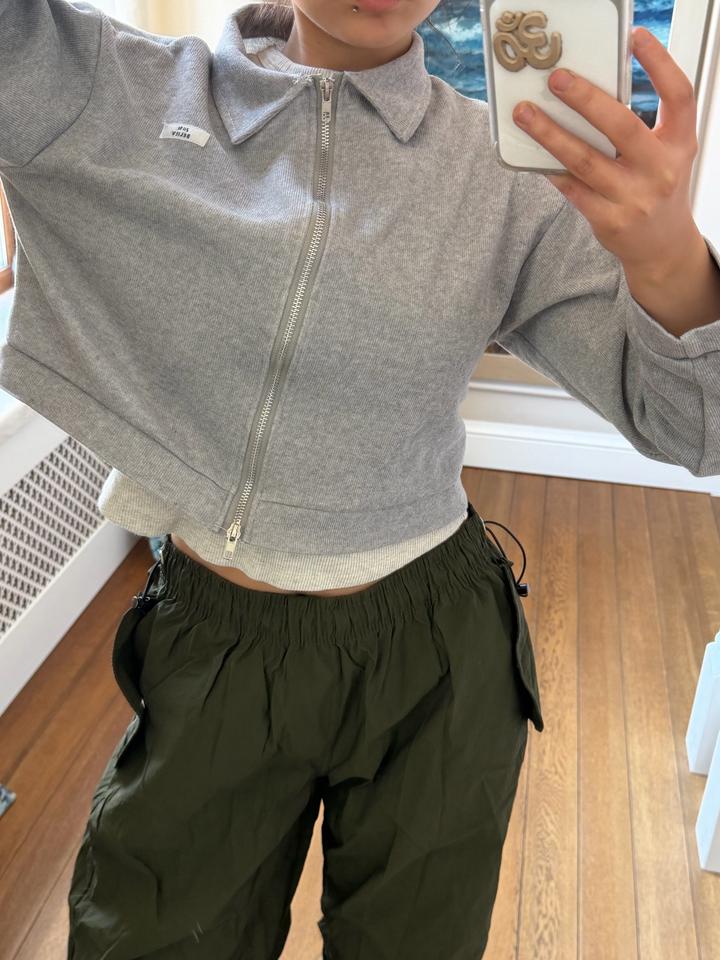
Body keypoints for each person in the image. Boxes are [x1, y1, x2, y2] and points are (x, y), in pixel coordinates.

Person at [0, 0, 718, 957]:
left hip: (437, 654)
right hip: (214, 644)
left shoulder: (508, 173)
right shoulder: (113, 91)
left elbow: (696, 429)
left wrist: (669, 259)